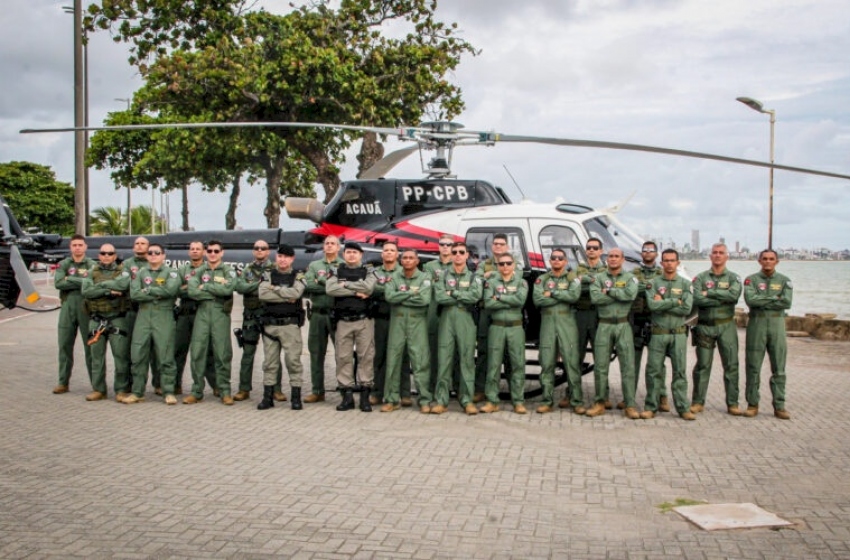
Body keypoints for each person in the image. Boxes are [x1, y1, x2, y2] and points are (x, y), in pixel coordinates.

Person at [640, 249, 695, 421]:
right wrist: (675, 301)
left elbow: (686, 308)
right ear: (661, 263)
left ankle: (682, 407)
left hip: (678, 334)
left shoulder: (686, 284)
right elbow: (652, 306)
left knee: (680, 372)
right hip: (658, 333)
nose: (669, 263)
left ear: (678, 263)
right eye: (666, 260)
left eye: (672, 260)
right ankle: (651, 406)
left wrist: (663, 301)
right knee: (653, 371)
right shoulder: (653, 283)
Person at [123, 243, 181, 404]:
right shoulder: (140, 273)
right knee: (138, 353)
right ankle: (137, 391)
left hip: (163, 315)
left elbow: (170, 291)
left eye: (157, 252)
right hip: (144, 314)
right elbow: (134, 294)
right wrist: (156, 290)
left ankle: (168, 391)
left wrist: (147, 290)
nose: (153, 255)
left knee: (165, 354)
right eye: (150, 253)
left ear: (163, 256)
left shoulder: (172, 273)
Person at [690, 243, 743, 416]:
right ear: (710, 256)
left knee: (731, 365)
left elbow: (734, 296)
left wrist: (710, 293)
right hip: (705, 326)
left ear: (727, 256)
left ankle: (732, 403)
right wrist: (721, 296)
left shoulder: (734, 278)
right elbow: (697, 299)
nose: (718, 255)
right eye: (715, 253)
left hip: (726, 325)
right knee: (702, 365)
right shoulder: (700, 278)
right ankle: (698, 402)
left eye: (721, 253)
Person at [432, 242, 484, 415]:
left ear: (467, 255)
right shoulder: (442, 276)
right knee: (444, 359)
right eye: (454, 252)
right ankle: (441, 400)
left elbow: (475, 296)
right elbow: (439, 297)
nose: (458, 255)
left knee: (467, 360)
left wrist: (452, 293)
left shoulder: (473, 277)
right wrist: (462, 296)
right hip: (447, 318)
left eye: (461, 252)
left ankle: (467, 400)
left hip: (465, 319)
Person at [586, 248, 638, 418]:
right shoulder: (599, 278)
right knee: (600, 366)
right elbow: (595, 298)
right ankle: (600, 402)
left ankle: (629, 404)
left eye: (617, 256)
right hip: (604, 325)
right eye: (610, 256)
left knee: (628, 367)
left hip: (623, 325)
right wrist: (618, 295)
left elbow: (630, 295)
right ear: (606, 259)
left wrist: (608, 291)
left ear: (622, 259)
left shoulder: (630, 278)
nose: (613, 259)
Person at [184, 240, 237, 405]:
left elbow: (228, 289)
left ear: (222, 253)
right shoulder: (198, 272)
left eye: (216, 251)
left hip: (220, 313)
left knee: (222, 353)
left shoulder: (229, 271)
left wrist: (205, 287)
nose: (212, 254)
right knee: (198, 351)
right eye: (210, 251)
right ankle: (197, 390)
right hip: (202, 313)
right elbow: (192, 292)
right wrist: (215, 291)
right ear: (206, 253)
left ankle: (224, 391)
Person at [326, 241, 377, 411]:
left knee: (366, 357)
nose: (351, 255)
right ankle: (346, 396)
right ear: (343, 254)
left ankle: (364, 396)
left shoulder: (369, 271)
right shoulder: (335, 271)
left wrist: (345, 284)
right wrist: (355, 291)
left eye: (355, 252)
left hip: (364, 321)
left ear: (361, 255)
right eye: (348, 252)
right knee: (343, 357)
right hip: (343, 321)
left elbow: (368, 288)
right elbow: (331, 289)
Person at [743, 249, 793, 420]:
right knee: (753, 366)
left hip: (777, 324)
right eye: (764, 259)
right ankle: (752, 403)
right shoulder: (751, 280)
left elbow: (787, 302)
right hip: (757, 323)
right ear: (759, 261)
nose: (768, 261)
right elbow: (751, 300)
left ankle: (779, 405)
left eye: (771, 259)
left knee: (779, 367)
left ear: (777, 262)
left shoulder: (785, 280)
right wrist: (775, 298)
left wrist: (763, 299)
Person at [380, 249, 432, 412]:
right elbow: (389, 297)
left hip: (417, 323)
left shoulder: (425, 278)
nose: (408, 260)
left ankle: (424, 400)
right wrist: (411, 293)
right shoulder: (394, 277)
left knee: (420, 361)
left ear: (417, 261)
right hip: (398, 322)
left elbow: (424, 300)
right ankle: (391, 399)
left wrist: (401, 295)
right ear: (401, 261)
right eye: (405, 258)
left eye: (411, 258)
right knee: (393, 360)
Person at [532, 248, 583, 414]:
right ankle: (547, 400)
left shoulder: (572, 278)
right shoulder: (542, 279)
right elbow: (538, 299)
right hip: (548, 323)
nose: (556, 260)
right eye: (553, 258)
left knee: (571, 363)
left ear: (565, 261)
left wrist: (552, 293)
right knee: (546, 363)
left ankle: (576, 400)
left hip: (566, 322)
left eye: (560, 258)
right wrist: (561, 295)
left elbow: (573, 296)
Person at [257, 244, 306, 410]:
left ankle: (296, 397)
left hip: (290, 326)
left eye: (286, 257)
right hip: (270, 326)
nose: (282, 259)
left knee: (293, 361)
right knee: (270, 363)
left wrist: (275, 289)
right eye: (280, 256)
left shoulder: (298, 276)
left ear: (292, 259)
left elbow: (296, 294)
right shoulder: (268, 274)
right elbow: (263, 294)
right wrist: (285, 295)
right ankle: (267, 397)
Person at [80, 243, 131, 401]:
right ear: (99, 255)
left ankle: (121, 389)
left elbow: (123, 286)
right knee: (96, 357)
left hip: (117, 318)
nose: (107, 256)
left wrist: (99, 287)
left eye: (110, 253)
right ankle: (99, 389)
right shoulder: (91, 272)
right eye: (103, 253)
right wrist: (109, 291)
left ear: (115, 256)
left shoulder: (123, 272)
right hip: (97, 319)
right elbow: (87, 291)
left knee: (121, 357)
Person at [561, 237, 608, 408]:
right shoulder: (577, 269)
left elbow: (605, 287)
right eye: (589, 247)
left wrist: (585, 283)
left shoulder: (605, 269)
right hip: (580, 315)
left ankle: (604, 395)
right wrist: (594, 284)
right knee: (576, 357)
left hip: (598, 315)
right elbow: (574, 285)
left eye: (595, 248)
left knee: (601, 357)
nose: (592, 250)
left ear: (601, 251)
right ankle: (571, 392)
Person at [481, 252, 529, 414]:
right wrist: (509, 298)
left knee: (517, 364)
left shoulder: (521, 282)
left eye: (508, 263)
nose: (505, 266)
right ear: (497, 266)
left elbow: (520, 301)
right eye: (501, 264)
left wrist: (499, 297)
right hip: (497, 327)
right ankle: (492, 400)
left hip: (515, 328)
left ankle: (518, 401)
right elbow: (488, 303)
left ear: (514, 265)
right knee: (493, 365)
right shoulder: (491, 282)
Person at [627, 241, 669, 412]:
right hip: (636, 319)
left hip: (656, 320)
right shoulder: (633, 273)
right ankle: (629, 397)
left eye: (651, 250)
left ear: (656, 254)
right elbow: (632, 289)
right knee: (632, 362)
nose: (648, 253)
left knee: (658, 363)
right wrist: (652, 288)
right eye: (645, 250)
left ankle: (662, 396)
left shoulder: (663, 273)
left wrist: (645, 288)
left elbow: (665, 290)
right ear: (641, 253)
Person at [302, 236, 344, 403]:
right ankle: (317, 390)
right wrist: (331, 285)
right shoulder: (314, 265)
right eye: (326, 243)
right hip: (317, 314)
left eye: (332, 243)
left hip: (337, 314)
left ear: (338, 247)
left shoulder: (343, 266)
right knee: (316, 353)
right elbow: (308, 285)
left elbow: (345, 286)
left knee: (341, 354)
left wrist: (320, 282)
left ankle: (344, 389)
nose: (329, 246)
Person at [53, 234, 95, 395]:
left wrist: (70, 279)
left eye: (80, 245)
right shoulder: (64, 264)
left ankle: (95, 384)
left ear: (85, 247)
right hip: (67, 308)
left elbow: (90, 283)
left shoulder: (92, 265)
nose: (77, 247)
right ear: (70, 247)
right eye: (74, 245)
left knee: (90, 346)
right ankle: (63, 382)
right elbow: (58, 283)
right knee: (64, 345)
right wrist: (80, 280)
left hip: (86, 308)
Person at [233, 240, 275, 402]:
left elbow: (277, 286)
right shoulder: (247, 270)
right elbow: (240, 287)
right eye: (256, 248)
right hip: (250, 317)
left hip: (269, 315)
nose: (259, 251)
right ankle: (244, 389)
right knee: (247, 353)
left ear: (268, 251)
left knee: (272, 354)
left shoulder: (275, 269)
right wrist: (261, 285)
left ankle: (275, 389)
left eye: (263, 248)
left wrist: (253, 287)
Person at [174, 241, 217, 396]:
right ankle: (175, 384)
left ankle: (216, 385)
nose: (194, 251)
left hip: (203, 312)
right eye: (192, 249)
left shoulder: (209, 269)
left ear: (204, 252)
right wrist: (195, 289)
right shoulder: (182, 270)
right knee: (178, 350)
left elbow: (214, 290)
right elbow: (177, 290)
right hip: (185, 314)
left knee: (207, 351)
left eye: (198, 249)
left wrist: (190, 287)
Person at [372, 241, 411, 406]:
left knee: (402, 356)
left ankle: (405, 393)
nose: (388, 253)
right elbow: (371, 289)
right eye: (386, 250)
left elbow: (408, 290)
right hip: (381, 318)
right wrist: (392, 291)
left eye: (392, 250)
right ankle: (378, 392)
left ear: (397, 255)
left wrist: (387, 290)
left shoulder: (404, 273)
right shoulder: (373, 273)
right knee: (380, 356)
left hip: (400, 319)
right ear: (382, 254)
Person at [475, 233, 512, 403]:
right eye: (495, 243)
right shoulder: (484, 264)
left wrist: (491, 277)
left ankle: (514, 391)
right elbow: (477, 281)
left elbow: (515, 280)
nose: (498, 246)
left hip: (506, 311)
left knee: (508, 353)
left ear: (507, 247)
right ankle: (481, 389)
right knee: (483, 351)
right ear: (491, 246)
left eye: (501, 244)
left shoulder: (513, 263)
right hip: (486, 312)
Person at [423, 234, 456, 393]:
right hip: (433, 313)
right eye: (442, 244)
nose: (445, 247)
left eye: (449, 245)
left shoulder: (457, 264)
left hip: (451, 312)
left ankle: (455, 387)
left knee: (454, 352)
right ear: (438, 246)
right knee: (434, 352)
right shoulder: (429, 266)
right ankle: (432, 388)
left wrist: (440, 284)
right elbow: (428, 285)